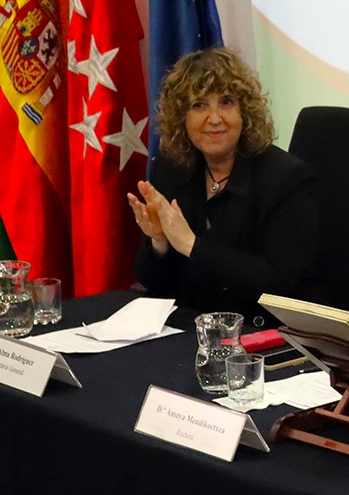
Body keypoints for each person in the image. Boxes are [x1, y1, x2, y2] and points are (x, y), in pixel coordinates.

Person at [128, 47, 318, 325]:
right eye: (199, 105)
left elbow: (282, 285)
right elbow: (154, 284)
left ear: (246, 112)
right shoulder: (171, 170)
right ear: (182, 118)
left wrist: (192, 245)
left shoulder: (287, 178)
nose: (214, 118)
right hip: (189, 330)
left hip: (258, 337)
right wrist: (160, 243)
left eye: (226, 102)